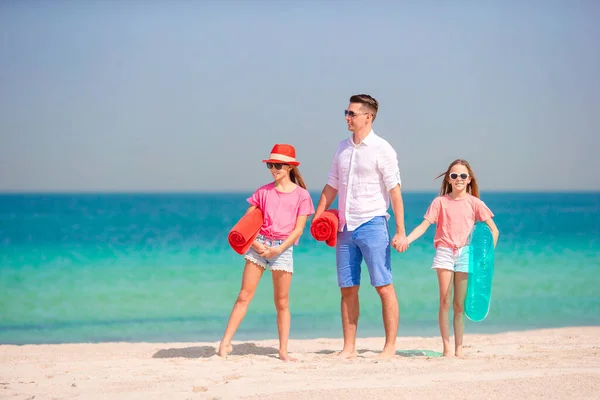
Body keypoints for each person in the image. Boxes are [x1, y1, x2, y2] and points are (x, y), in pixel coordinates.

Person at [313, 94, 408, 359]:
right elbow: (332, 185)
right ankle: (349, 347)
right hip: (344, 227)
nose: (347, 117)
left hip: (373, 223)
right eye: (346, 112)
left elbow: (395, 191)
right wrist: (319, 215)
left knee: (383, 285)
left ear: (369, 116)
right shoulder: (342, 148)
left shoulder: (382, 149)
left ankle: (389, 347)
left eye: (352, 113)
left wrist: (400, 231)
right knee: (347, 288)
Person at [218, 144, 315, 362]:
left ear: (289, 167)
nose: (273, 169)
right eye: (270, 165)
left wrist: (279, 248)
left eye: (277, 165)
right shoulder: (263, 191)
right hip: (259, 245)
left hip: (283, 249)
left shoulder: (302, 196)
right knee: (244, 295)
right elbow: (247, 221)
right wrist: (255, 244)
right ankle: (225, 344)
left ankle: (283, 351)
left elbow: (299, 229)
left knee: (281, 302)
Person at [404, 159, 499, 358]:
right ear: (449, 178)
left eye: (463, 176)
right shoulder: (440, 202)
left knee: (459, 305)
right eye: (454, 175)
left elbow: (493, 231)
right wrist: (407, 240)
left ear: (469, 179)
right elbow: (423, 226)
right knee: (445, 301)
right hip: (445, 252)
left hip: (466, 254)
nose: (459, 179)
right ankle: (447, 348)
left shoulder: (475, 203)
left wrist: (485, 260)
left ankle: (459, 348)